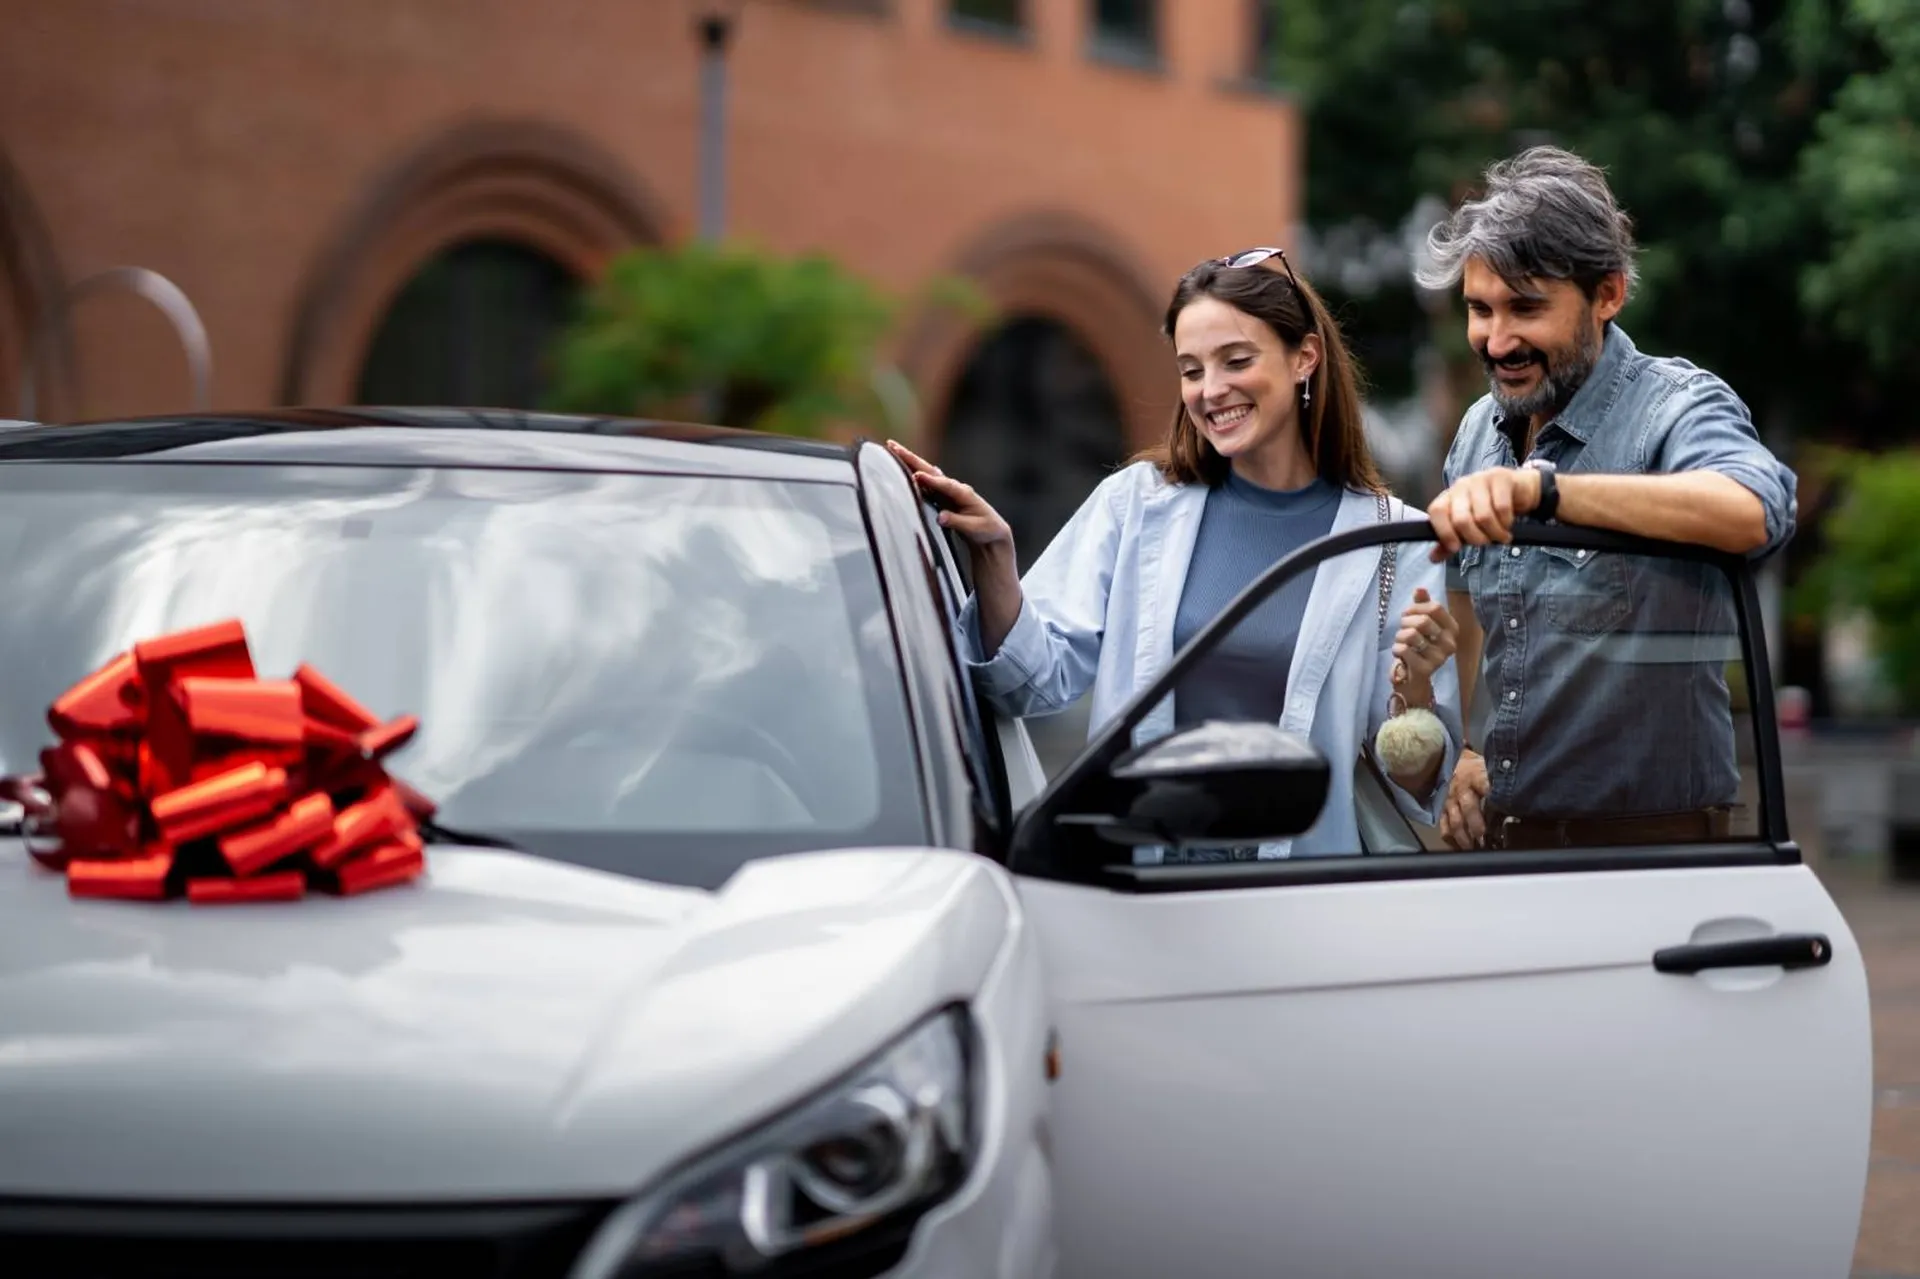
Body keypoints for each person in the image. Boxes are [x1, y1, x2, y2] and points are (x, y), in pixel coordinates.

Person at [888, 248, 1463, 858]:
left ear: (1305, 358)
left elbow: (1420, 787)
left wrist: (1417, 688)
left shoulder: (1393, 541)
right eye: (1192, 370)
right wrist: (998, 561)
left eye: (1235, 361)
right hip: (1147, 894)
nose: (1212, 391)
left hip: (1302, 901)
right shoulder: (1135, 505)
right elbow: (1033, 684)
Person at [1415, 146, 1797, 850]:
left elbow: (1753, 508)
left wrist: (1546, 491)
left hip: (1655, 860)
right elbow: (1469, 622)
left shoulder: (1678, 405)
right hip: (1506, 858)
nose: (1497, 340)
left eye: (1526, 308)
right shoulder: (1476, 431)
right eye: (1479, 309)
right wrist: (1464, 749)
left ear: (1608, 294)